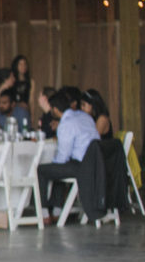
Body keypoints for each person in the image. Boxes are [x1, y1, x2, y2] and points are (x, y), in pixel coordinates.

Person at [36, 89, 100, 224]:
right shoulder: (85, 117)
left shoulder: (66, 124)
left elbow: (62, 158)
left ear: (55, 110)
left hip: (81, 167)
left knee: (41, 170)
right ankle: (57, 211)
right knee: (59, 168)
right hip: (96, 164)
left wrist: (54, 162)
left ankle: (44, 213)